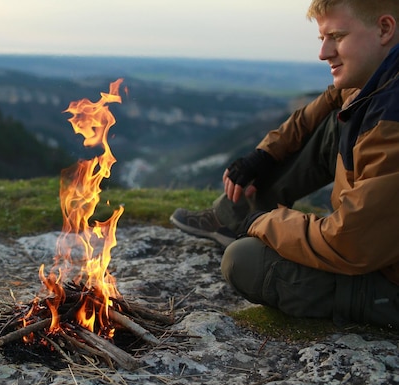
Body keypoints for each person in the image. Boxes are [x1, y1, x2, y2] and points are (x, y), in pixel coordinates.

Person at [170, 0, 399, 329]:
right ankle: (230, 216)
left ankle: (244, 220)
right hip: (370, 241)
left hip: (387, 278)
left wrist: (266, 222)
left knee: (243, 261)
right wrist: (262, 156)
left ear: (385, 29)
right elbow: (312, 117)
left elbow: (348, 243)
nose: (324, 52)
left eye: (337, 35)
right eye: (322, 38)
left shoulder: (393, 117)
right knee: (331, 122)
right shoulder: (375, 80)